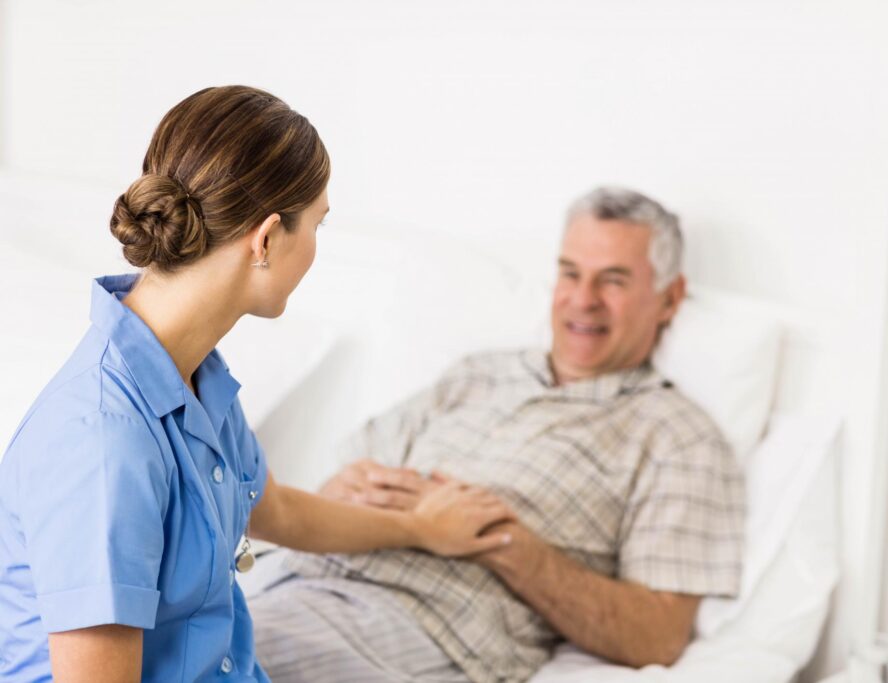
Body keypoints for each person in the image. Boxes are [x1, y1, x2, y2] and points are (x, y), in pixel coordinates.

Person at [0, 85, 514, 683]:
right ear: (267, 238)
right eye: (318, 224)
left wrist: (421, 528)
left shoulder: (195, 379)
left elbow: (279, 512)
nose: (317, 248)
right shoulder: (102, 440)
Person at [249, 187, 746, 683]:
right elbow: (339, 481)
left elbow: (655, 636)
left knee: (210, 660)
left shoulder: (676, 435)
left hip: (422, 624)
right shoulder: (478, 375)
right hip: (296, 578)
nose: (583, 299)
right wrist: (348, 491)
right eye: (570, 273)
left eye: (612, 281)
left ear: (669, 298)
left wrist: (495, 537)